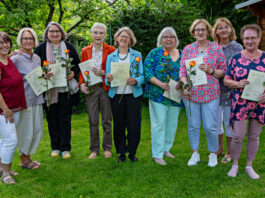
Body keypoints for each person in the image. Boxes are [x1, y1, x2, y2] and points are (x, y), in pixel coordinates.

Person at [179, 19, 226, 167]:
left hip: (210, 93)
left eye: (203, 29)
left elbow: (223, 71)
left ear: (208, 32)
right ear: (193, 32)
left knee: (210, 125)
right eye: (197, 30)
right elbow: (182, 71)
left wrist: (211, 70)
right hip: (191, 94)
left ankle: (213, 153)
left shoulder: (216, 49)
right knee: (193, 124)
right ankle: (195, 153)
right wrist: (184, 84)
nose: (200, 32)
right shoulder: (187, 49)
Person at [224, 24, 265, 179]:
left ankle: (249, 166)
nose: (249, 41)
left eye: (253, 38)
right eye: (246, 38)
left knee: (254, 136)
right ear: (242, 39)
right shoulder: (236, 58)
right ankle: (235, 165)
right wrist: (237, 84)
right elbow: (227, 80)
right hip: (241, 103)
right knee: (237, 136)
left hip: (260, 103)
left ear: (259, 39)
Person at [34, 22, 80, 159]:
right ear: (47, 34)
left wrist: (72, 73)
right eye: (51, 31)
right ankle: (55, 147)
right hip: (49, 91)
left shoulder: (69, 47)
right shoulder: (41, 49)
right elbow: (34, 67)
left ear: (62, 33)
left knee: (65, 119)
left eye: (57, 31)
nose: (54, 34)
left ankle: (66, 148)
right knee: (52, 119)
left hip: (65, 90)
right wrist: (43, 74)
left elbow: (77, 64)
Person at [144, 27, 183, 166]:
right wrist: (160, 84)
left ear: (175, 39)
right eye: (165, 36)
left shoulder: (182, 53)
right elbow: (147, 71)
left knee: (172, 124)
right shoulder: (155, 53)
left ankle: (166, 149)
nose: (168, 39)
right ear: (161, 39)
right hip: (157, 94)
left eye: (171, 36)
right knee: (159, 123)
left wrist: (182, 83)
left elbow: (187, 72)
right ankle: (157, 154)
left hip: (175, 94)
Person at [106, 27, 144, 162]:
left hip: (133, 95)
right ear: (117, 38)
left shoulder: (137, 55)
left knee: (134, 125)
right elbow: (107, 77)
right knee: (119, 124)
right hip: (117, 95)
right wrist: (108, 78)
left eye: (127, 37)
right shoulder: (111, 57)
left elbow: (142, 76)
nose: (124, 39)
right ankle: (121, 152)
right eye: (121, 36)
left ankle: (132, 152)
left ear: (130, 40)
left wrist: (136, 80)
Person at [79, 23, 116, 159]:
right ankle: (94, 149)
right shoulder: (85, 50)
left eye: (101, 33)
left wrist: (103, 72)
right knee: (93, 120)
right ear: (91, 34)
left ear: (105, 35)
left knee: (106, 120)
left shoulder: (111, 50)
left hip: (105, 88)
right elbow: (83, 71)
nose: (98, 35)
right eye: (95, 32)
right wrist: (82, 84)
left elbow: (115, 71)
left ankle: (107, 148)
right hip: (92, 90)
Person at [11, 28, 46, 169]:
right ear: (20, 41)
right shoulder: (15, 58)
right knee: (26, 131)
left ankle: (29, 157)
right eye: (25, 38)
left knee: (36, 129)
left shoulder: (37, 58)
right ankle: (23, 160)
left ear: (34, 41)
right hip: (24, 101)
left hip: (37, 98)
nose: (28, 41)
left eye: (30, 38)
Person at [212, 18, 243, 163]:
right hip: (214, 91)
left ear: (231, 29)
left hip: (231, 91)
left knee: (229, 123)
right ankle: (219, 149)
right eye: (220, 28)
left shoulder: (237, 48)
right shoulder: (212, 47)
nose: (223, 30)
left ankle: (229, 152)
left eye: (226, 27)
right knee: (216, 122)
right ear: (215, 31)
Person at [0, 32, 27, 184]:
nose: (4, 45)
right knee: (11, 140)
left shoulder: (7, 59)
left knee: (5, 139)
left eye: (7, 42)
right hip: (5, 110)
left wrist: (15, 52)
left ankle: (2, 168)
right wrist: (5, 109)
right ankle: (6, 174)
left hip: (14, 107)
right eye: (0, 43)